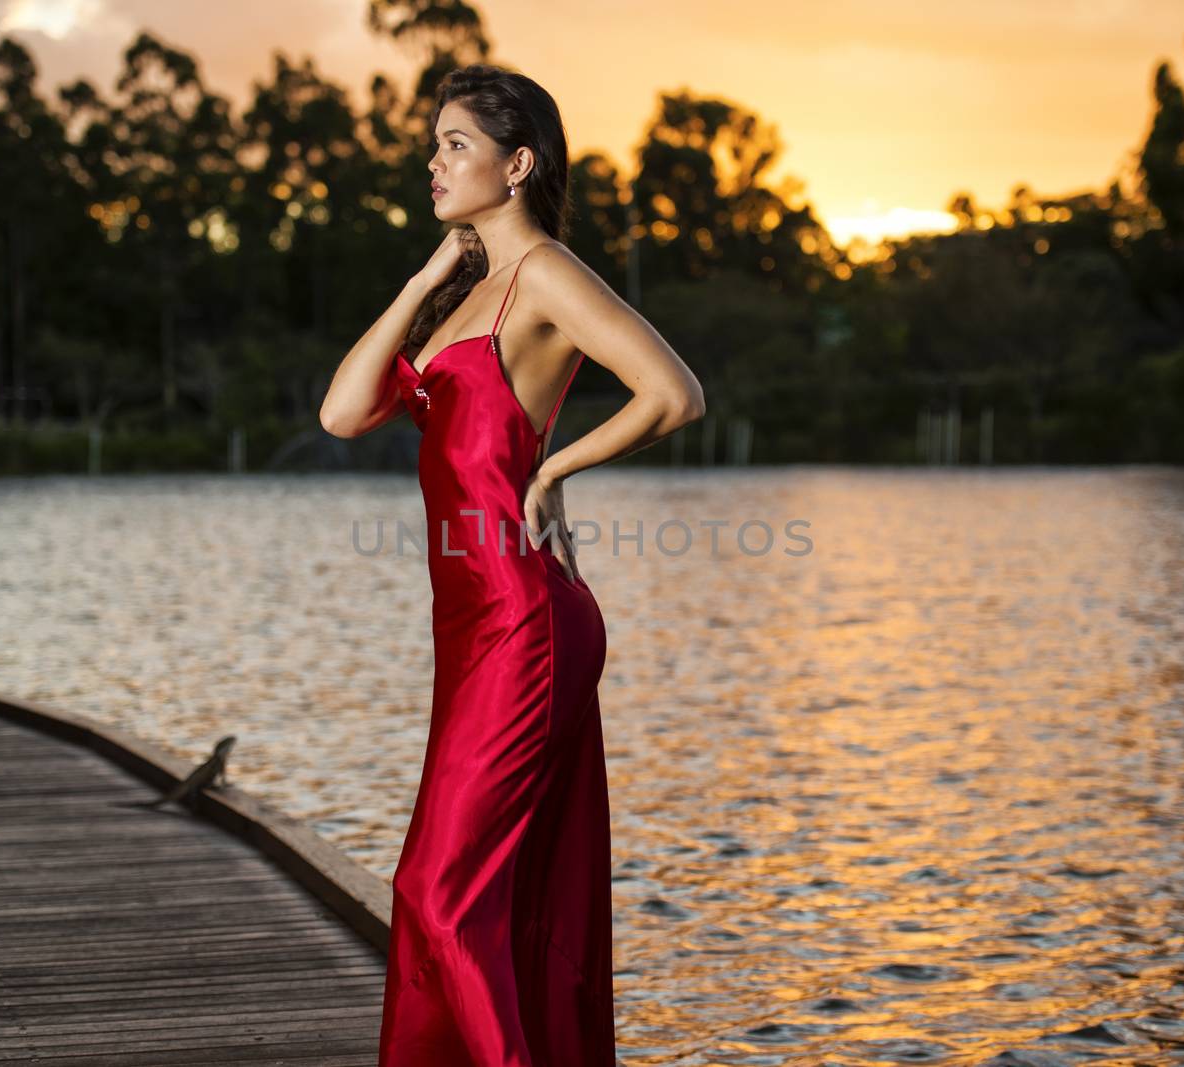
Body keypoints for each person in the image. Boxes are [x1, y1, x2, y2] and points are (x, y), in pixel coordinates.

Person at [320, 63, 704, 1065]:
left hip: (523, 620)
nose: (433, 160)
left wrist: (554, 469)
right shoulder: (471, 291)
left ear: (518, 161)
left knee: (437, 895)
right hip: (476, 627)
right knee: (491, 902)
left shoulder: (541, 271)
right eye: (434, 142)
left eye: (456, 143)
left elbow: (672, 392)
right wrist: (416, 283)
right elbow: (343, 411)